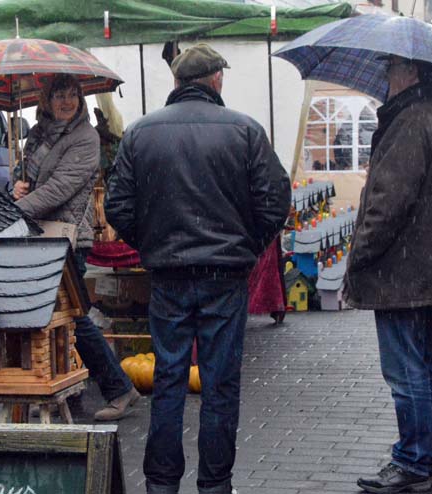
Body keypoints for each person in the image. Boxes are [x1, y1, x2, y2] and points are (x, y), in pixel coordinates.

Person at [104, 43, 290, 494]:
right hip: (224, 275)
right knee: (219, 384)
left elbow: (118, 206)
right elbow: (275, 201)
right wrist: (247, 246)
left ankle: (161, 484)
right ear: (216, 80)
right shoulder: (244, 130)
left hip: (169, 275)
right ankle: (214, 485)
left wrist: (152, 244)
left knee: (168, 381)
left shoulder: (141, 132)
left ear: (176, 83)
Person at [343, 56, 432, 494]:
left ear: (412, 72)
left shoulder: (411, 122)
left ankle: (412, 461)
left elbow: (388, 202)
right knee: (431, 363)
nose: (386, 77)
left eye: (392, 68)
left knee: (406, 370)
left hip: (400, 271)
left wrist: (358, 255)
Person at [11, 73, 140, 421]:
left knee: (72, 317)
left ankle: (120, 388)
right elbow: (28, 179)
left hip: (69, 238)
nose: (66, 102)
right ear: (47, 101)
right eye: (59, 96)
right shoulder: (37, 134)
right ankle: (65, 386)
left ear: (81, 100)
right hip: (37, 235)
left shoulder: (85, 138)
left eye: (72, 96)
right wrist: (17, 187)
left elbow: (59, 189)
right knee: (53, 317)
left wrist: (15, 209)